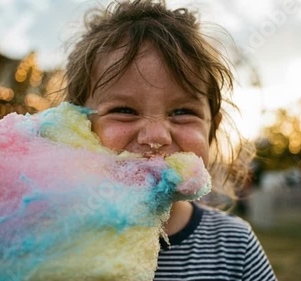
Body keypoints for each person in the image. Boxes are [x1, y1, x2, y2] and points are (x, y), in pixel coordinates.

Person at [61, 0, 277, 280]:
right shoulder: (59, 238)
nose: (156, 137)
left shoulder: (235, 247)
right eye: (124, 111)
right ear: (77, 127)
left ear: (212, 130)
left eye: (182, 112)